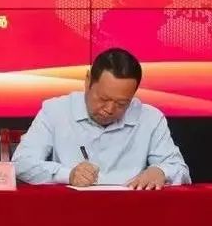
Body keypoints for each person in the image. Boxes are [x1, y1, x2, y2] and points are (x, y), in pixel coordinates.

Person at [13, 48, 190, 189]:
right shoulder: (56, 111)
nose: (109, 109)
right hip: (71, 212)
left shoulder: (150, 118)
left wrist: (160, 171)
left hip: (132, 212)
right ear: (88, 81)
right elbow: (21, 164)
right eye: (103, 99)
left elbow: (181, 170)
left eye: (122, 103)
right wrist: (68, 175)